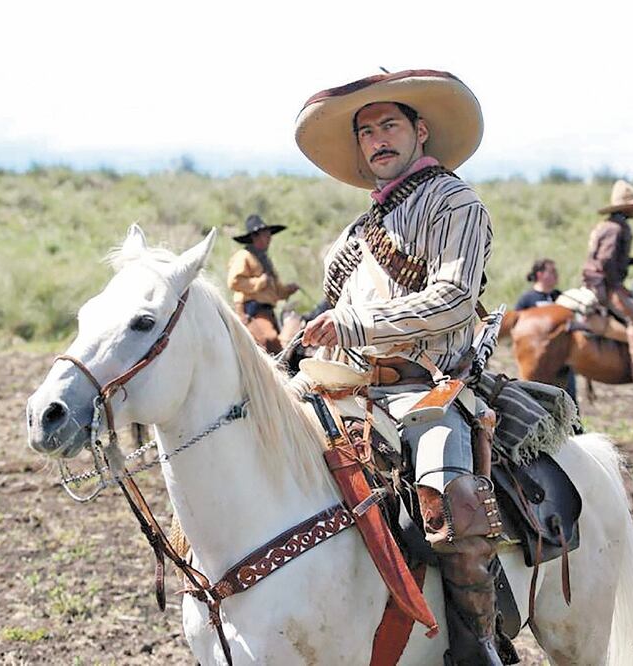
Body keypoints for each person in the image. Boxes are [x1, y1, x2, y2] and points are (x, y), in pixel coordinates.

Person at [294, 69, 509, 664]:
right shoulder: (356, 233)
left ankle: (478, 643)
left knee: (450, 497)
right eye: (366, 131)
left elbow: (455, 298)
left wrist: (357, 325)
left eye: (390, 125)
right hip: (350, 389)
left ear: (420, 132)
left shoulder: (454, 200)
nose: (377, 138)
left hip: (430, 389)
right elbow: (329, 311)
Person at [581, 180, 633, 383]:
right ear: (627, 207)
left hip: (600, 280)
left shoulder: (608, 225)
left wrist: (630, 261)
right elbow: (606, 260)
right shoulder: (618, 228)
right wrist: (616, 285)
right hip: (605, 284)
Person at [227, 214, 299, 354]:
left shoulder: (264, 259)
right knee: (269, 341)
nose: (269, 238)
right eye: (266, 235)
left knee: (279, 345)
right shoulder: (244, 256)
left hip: (266, 311)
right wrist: (260, 282)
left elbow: (276, 292)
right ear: (255, 237)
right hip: (251, 310)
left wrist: (287, 290)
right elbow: (234, 281)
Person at [516, 259, 578, 402]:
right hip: (538, 360)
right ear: (540, 275)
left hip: (562, 359)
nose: (556, 275)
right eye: (552, 272)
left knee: (569, 399)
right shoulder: (527, 299)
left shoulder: (561, 297)